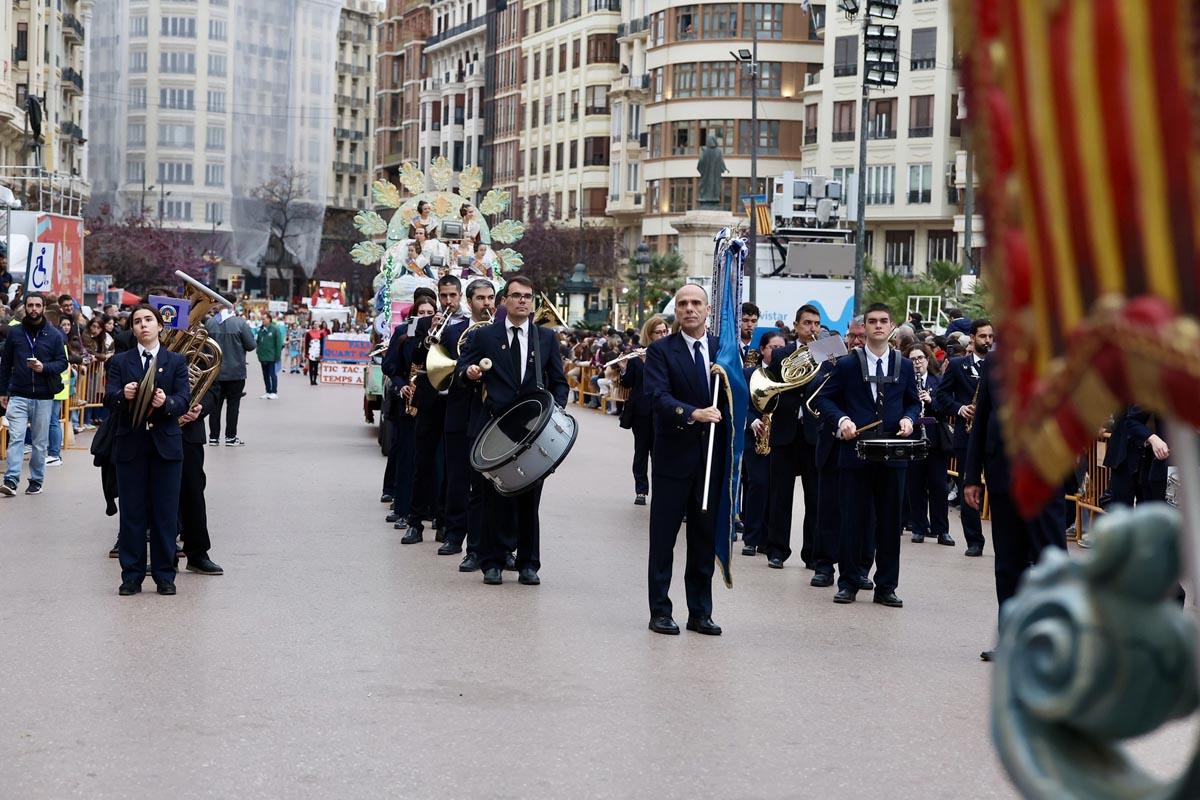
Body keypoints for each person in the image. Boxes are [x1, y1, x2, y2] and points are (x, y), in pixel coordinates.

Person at [458, 276, 568, 586]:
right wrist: (468, 372)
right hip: (495, 426)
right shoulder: (485, 336)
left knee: (530, 498)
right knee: (494, 497)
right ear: (504, 301)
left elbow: (559, 382)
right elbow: (459, 374)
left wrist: (556, 410)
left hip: (533, 430)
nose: (523, 301)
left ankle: (528, 563)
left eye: (528, 296)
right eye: (516, 296)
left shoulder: (544, 338)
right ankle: (492, 562)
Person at [812, 303, 920, 608]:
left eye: (883, 321)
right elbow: (824, 399)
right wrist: (842, 420)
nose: (877, 326)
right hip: (856, 453)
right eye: (872, 321)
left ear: (892, 326)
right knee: (852, 521)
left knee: (889, 522)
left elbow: (913, 403)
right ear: (865, 327)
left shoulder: (905, 365)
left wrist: (909, 419)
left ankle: (886, 586)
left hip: (893, 454)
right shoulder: (847, 364)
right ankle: (847, 582)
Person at [963, 359, 1067, 661]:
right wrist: (972, 476)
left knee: (1051, 561)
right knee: (1008, 564)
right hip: (1001, 476)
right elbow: (981, 421)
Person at [642, 284, 726, 636]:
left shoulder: (724, 349)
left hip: (711, 459)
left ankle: (700, 612)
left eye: (696, 303)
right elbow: (656, 397)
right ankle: (660, 610)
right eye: (682, 304)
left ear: (708, 310)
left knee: (703, 539)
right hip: (673, 457)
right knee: (663, 538)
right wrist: (693, 413)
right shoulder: (662, 350)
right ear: (675, 311)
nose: (689, 309)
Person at [104, 304, 191, 596]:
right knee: (132, 513)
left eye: (148, 320)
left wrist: (167, 403)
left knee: (165, 514)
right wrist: (122, 395)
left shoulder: (176, 360)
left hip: (166, 446)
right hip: (131, 445)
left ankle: (165, 576)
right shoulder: (120, 361)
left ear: (159, 327)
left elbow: (184, 400)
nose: (143, 325)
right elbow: (108, 398)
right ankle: (132, 576)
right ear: (133, 329)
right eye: (137, 321)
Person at [400, 275, 465, 545]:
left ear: (460, 296)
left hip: (456, 401)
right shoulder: (427, 322)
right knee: (423, 462)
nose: (448, 300)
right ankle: (415, 522)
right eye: (444, 295)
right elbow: (414, 358)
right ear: (438, 295)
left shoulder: (467, 325)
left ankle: (443, 521)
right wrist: (428, 335)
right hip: (429, 399)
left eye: (453, 295)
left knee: (451, 465)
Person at [437, 279, 495, 565]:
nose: (486, 303)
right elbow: (442, 372)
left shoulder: (502, 332)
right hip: (460, 409)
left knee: (485, 482)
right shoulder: (452, 333)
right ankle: (453, 534)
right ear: (469, 301)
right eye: (481, 298)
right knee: (457, 477)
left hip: (490, 413)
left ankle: (482, 542)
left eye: (490, 297)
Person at [933, 318, 993, 556]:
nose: (987, 341)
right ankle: (974, 541)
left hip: (994, 436)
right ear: (972, 337)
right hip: (966, 434)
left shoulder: (999, 365)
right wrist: (960, 408)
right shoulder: (958, 365)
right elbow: (942, 397)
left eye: (990, 337)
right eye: (983, 337)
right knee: (969, 484)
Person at [0, 293, 67, 496]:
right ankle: (11, 480)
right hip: (19, 393)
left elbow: (62, 363)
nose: (34, 309)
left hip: (44, 396)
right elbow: (6, 363)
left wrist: (43, 367)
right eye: (30, 305)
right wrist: (3, 391)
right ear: (25, 307)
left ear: (44, 307)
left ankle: (36, 480)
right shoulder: (15, 333)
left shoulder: (54, 335)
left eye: (38, 305)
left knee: (39, 443)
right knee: (16, 437)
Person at [905, 343, 954, 546]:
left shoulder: (939, 381)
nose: (917, 363)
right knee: (915, 485)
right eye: (913, 359)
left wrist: (931, 400)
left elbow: (946, 406)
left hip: (934, 440)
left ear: (927, 359)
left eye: (920, 358)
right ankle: (918, 528)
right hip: (913, 438)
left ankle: (941, 530)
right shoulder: (905, 381)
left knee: (938, 486)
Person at [743, 330, 785, 556]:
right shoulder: (750, 374)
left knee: (776, 490)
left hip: (781, 439)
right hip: (756, 437)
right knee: (757, 485)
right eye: (773, 348)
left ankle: (769, 539)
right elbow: (741, 405)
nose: (778, 352)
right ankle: (751, 537)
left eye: (782, 348)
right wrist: (752, 422)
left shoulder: (788, 375)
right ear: (762, 350)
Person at [620, 315, 669, 505]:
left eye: (665, 331)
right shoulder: (636, 355)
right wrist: (624, 368)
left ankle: (660, 490)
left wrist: (647, 362)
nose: (663, 335)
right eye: (659, 332)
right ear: (650, 334)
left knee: (659, 452)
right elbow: (629, 382)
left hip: (661, 410)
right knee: (641, 450)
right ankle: (641, 490)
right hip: (641, 410)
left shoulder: (668, 355)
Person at [178, 382, 224, 576]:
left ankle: (197, 554)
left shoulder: (202, 350)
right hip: (153, 427)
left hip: (189, 431)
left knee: (193, 492)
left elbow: (213, 387)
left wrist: (200, 407)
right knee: (155, 494)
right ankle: (163, 556)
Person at [204, 295, 256, 446]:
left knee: (215, 405)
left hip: (214, 372)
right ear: (233, 305)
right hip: (236, 372)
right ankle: (230, 437)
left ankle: (213, 437)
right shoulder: (240, 323)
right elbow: (251, 345)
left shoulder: (210, 323)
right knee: (233, 405)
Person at [255, 312, 284, 399]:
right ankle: (268, 391)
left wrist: (278, 356)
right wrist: (258, 352)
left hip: (272, 356)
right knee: (265, 375)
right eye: (262, 319)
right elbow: (258, 342)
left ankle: (274, 392)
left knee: (272, 374)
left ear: (269, 319)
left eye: (264, 319)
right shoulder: (261, 330)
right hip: (263, 356)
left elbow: (279, 344)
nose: (262, 320)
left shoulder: (275, 329)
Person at [303, 320, 326, 385]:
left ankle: (315, 380)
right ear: (312, 325)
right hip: (311, 351)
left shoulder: (321, 333)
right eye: (315, 324)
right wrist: (306, 353)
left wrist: (321, 353)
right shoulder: (309, 333)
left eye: (317, 324)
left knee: (316, 366)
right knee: (311, 365)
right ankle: (311, 380)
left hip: (317, 351)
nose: (316, 325)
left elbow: (322, 343)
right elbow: (306, 343)